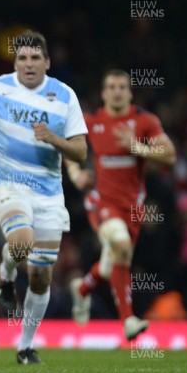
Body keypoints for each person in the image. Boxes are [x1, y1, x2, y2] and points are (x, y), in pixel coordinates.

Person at [0, 30, 88, 364]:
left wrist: (56, 139)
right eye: (22, 58)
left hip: (50, 193)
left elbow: (80, 152)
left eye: (35, 58)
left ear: (47, 62)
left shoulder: (65, 96)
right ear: (15, 62)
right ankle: (7, 274)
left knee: (41, 276)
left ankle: (25, 345)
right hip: (8, 184)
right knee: (21, 240)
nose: (28, 64)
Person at [67, 69, 176, 341]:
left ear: (129, 92)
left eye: (121, 87)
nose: (116, 91)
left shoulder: (144, 121)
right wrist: (75, 173)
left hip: (133, 207)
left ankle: (82, 289)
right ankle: (128, 320)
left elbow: (170, 156)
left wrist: (138, 148)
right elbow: (68, 149)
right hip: (101, 202)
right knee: (120, 244)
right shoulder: (91, 122)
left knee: (110, 265)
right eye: (111, 87)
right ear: (104, 94)